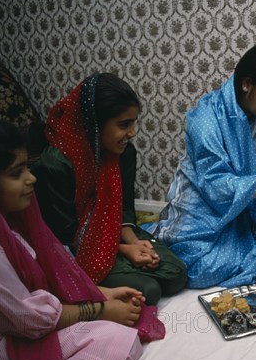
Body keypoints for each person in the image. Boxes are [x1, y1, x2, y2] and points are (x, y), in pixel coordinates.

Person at [0, 115, 165, 360]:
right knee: (121, 340)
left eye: (27, 167)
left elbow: (41, 279)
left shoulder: (2, 221)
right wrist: (100, 308)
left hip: (22, 320)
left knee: (147, 295)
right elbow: (28, 318)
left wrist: (100, 292)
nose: (31, 179)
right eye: (16, 173)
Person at [148, 42, 256, 288]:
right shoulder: (205, 119)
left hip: (244, 211)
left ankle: (241, 254)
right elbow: (214, 185)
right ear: (247, 84)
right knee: (198, 263)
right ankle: (243, 255)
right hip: (203, 212)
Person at [32, 73, 187, 305]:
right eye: (124, 125)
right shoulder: (56, 164)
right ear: (93, 123)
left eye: (134, 122)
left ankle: (120, 273)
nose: (132, 132)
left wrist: (133, 241)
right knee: (150, 290)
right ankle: (97, 286)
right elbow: (63, 237)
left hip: (111, 236)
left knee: (176, 274)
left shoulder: (124, 154)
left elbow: (124, 207)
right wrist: (124, 250)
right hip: (72, 251)